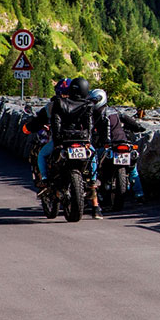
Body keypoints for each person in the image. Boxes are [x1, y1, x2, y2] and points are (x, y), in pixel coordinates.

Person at [48, 76, 102, 219]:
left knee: (48, 157)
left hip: (65, 140)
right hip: (82, 140)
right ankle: (93, 179)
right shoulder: (88, 105)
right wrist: (88, 140)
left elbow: (56, 123)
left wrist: (58, 140)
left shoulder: (59, 103)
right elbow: (89, 126)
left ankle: (47, 181)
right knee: (93, 156)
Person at [91, 88, 146, 202]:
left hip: (107, 145)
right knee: (133, 169)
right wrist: (139, 127)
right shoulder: (114, 110)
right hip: (123, 142)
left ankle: (94, 188)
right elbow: (128, 120)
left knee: (93, 163)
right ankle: (139, 194)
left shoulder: (95, 114)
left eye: (94, 101)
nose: (93, 103)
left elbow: (90, 130)